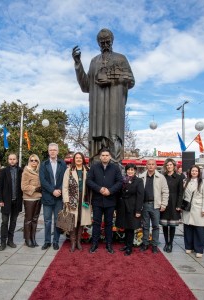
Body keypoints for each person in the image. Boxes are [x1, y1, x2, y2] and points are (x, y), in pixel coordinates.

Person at [72, 28, 135, 162]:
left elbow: (131, 80)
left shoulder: (120, 58)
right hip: (98, 110)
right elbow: (85, 86)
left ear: (112, 41)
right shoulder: (94, 61)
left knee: (114, 137)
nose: (105, 45)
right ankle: (97, 159)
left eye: (108, 42)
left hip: (114, 106)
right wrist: (78, 64)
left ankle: (115, 162)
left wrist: (112, 80)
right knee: (97, 139)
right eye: (102, 43)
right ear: (98, 43)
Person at [87, 148, 123, 254]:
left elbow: (120, 182)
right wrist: (99, 189)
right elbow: (89, 180)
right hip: (97, 200)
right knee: (96, 223)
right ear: (100, 157)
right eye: (103, 155)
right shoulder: (94, 167)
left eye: (107, 155)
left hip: (110, 200)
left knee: (109, 223)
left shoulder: (115, 168)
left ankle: (109, 245)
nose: (105, 157)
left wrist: (110, 191)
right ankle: (94, 244)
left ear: (110, 157)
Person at [62, 152, 92, 252]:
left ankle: (78, 242)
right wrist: (66, 200)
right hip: (72, 200)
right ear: (74, 159)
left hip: (84, 199)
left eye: (80, 158)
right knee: (72, 221)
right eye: (76, 158)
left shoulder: (87, 170)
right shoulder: (69, 170)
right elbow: (65, 187)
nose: (78, 159)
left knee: (81, 221)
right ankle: (73, 243)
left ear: (83, 159)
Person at [40, 143, 67, 251]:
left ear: (58, 151)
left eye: (54, 150)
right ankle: (47, 241)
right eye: (50, 150)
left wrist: (59, 190)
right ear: (48, 151)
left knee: (57, 220)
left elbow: (65, 178)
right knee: (47, 221)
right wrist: (52, 191)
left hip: (59, 197)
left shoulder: (63, 164)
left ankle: (55, 241)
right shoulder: (44, 164)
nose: (52, 152)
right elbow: (43, 180)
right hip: (47, 196)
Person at [139, 159, 169, 254]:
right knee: (145, 226)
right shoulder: (141, 177)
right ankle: (145, 243)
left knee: (156, 226)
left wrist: (164, 204)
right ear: (146, 166)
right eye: (149, 164)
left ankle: (155, 244)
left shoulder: (161, 177)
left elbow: (165, 191)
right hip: (144, 205)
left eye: (153, 164)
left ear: (156, 166)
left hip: (155, 205)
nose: (151, 166)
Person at [116, 163, 143, 256]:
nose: (130, 171)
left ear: (135, 171)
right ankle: (126, 244)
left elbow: (140, 196)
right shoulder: (123, 180)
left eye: (132, 170)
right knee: (125, 227)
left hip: (132, 207)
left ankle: (129, 247)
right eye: (128, 170)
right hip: (122, 207)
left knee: (130, 228)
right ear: (126, 170)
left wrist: (138, 210)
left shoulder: (139, 181)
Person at [0, 153, 23, 251]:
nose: (12, 160)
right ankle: (3, 242)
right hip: (5, 201)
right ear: (8, 160)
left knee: (13, 221)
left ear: (17, 160)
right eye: (10, 159)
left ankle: (10, 240)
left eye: (14, 159)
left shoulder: (21, 170)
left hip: (16, 201)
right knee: (4, 222)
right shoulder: (3, 171)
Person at [182, 165, 204, 258]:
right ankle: (188, 246)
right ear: (190, 172)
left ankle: (199, 249)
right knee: (188, 228)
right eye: (192, 171)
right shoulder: (185, 181)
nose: (194, 172)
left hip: (199, 207)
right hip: (187, 208)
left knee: (199, 229)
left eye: (196, 171)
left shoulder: (203, 182)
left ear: (199, 173)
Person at [160, 158, 183, 253]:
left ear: (174, 166)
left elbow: (181, 192)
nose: (169, 167)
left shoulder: (179, 177)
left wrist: (179, 205)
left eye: (170, 165)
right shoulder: (163, 177)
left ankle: (171, 243)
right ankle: (166, 242)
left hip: (174, 202)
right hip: (164, 202)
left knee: (172, 225)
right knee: (165, 224)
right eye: (167, 165)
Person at [21, 154, 42, 248]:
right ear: (29, 161)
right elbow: (23, 186)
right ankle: (27, 239)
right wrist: (35, 188)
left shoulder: (39, 171)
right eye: (32, 160)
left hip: (38, 198)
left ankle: (33, 238)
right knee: (28, 219)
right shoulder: (26, 171)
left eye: (36, 160)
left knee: (35, 219)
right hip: (29, 198)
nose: (34, 162)